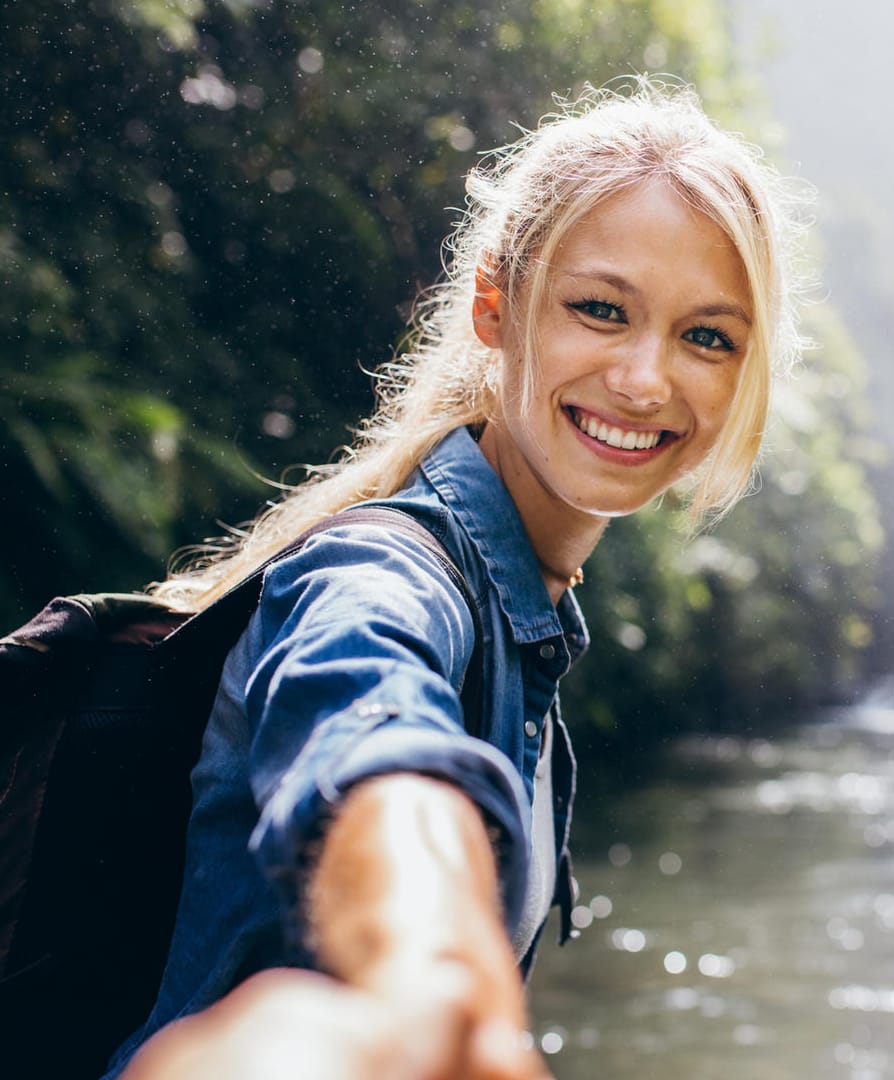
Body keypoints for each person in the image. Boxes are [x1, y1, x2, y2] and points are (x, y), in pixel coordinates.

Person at [99, 77, 807, 1078]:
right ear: (495, 305)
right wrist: (429, 958)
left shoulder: (537, 618)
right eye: (602, 310)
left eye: (706, 337)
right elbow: (369, 729)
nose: (647, 379)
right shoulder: (380, 564)